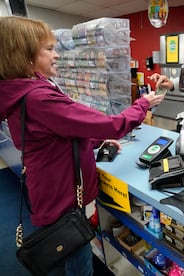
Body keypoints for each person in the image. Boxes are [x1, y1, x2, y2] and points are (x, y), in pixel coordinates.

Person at [0, 16, 165, 276]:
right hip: (64, 199)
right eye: (49, 49)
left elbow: (61, 131)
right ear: (26, 55)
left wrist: (96, 139)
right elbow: (111, 125)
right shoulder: (39, 98)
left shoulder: (25, 92)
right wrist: (143, 104)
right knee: (77, 257)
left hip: (52, 190)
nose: (57, 56)